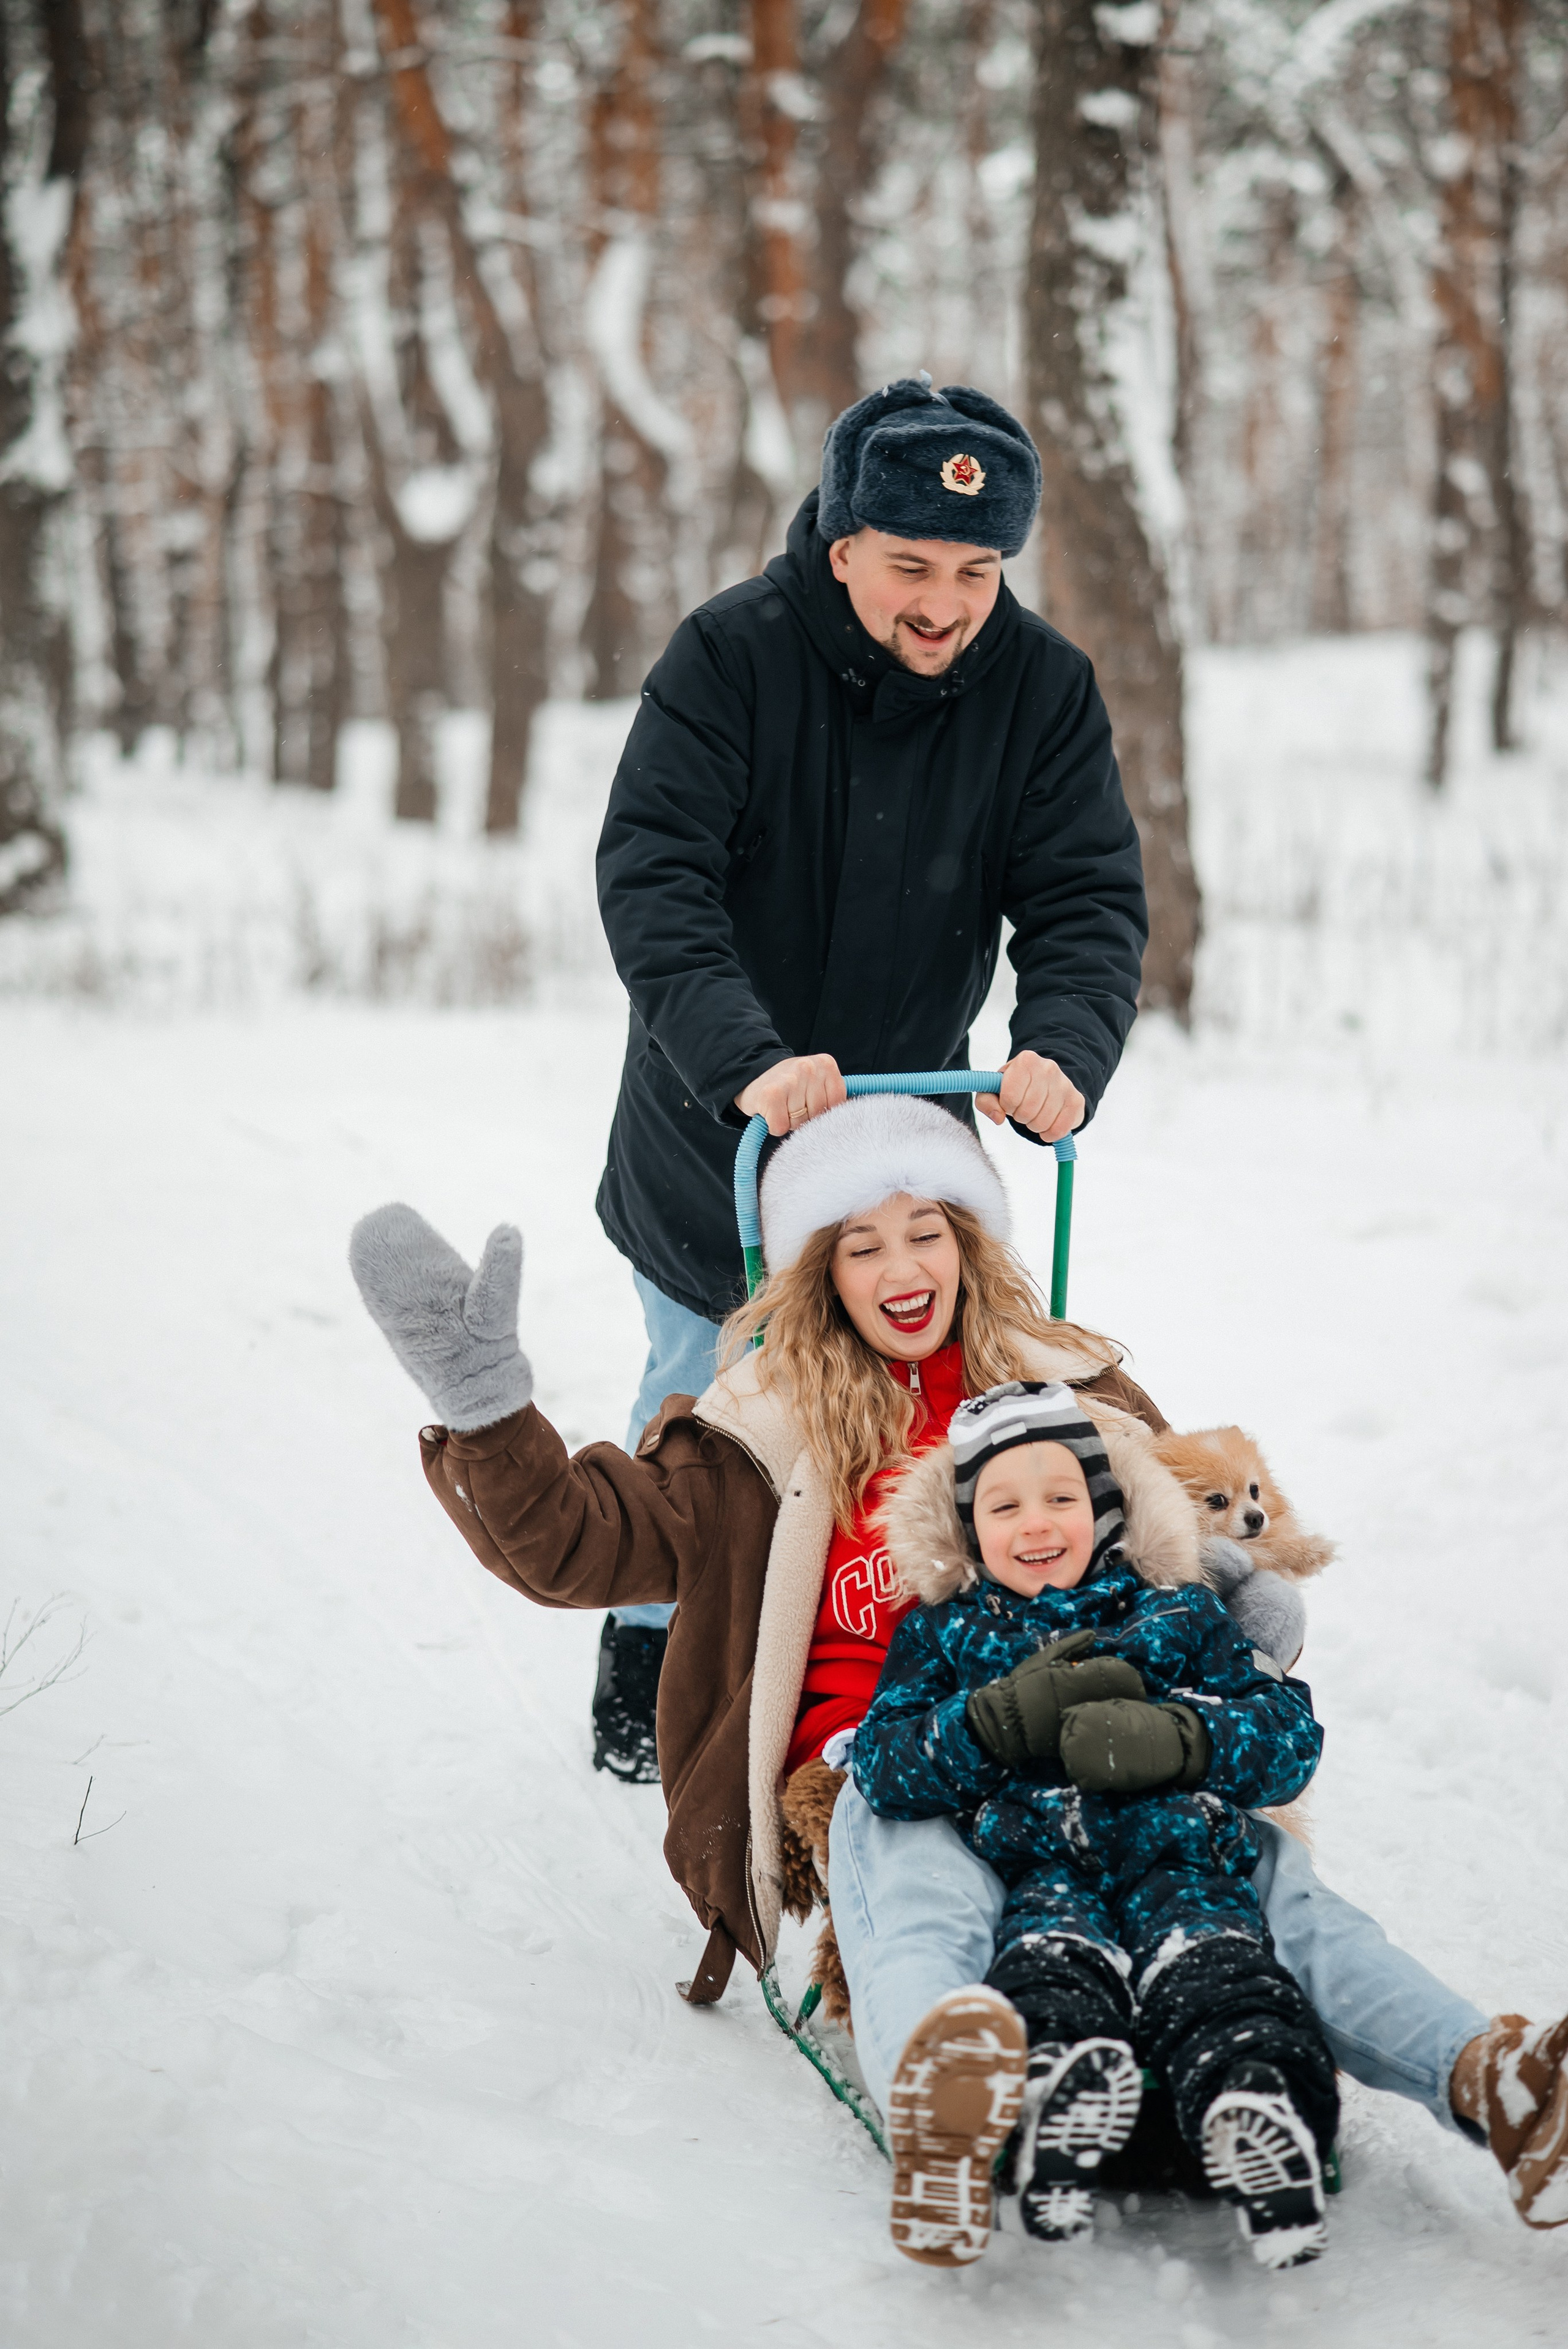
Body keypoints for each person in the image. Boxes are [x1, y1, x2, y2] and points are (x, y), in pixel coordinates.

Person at [347, 1095, 1568, 2266]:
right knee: (919, 1883)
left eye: (926, 1230)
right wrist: (488, 1413)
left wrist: (1234, 1599)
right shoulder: (753, 1428)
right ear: (819, 1271)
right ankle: (941, 2095)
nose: (901, 1266)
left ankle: (1494, 2078)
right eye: (862, 1243)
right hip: (884, 1760)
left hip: (1096, 1737)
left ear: (968, 1240)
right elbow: (583, 1543)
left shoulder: (1071, 1389)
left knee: (1269, 1889)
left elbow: (1179, 1518)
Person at [589, 373, 1148, 1779]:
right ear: (840, 547)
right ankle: (653, 1653)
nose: (944, 602)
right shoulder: (728, 658)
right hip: (714, 1130)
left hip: (899, 1140)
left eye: (975, 571)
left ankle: (868, 1658)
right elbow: (655, 877)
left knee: (900, 1411)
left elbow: (1083, 896)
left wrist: (1061, 1046)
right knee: (707, 1408)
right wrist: (746, 1058)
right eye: (911, 565)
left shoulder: (1039, 688)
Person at [854, 1380, 1337, 2268]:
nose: (1037, 1524)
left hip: (1182, 1856)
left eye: (1062, 1499)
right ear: (968, 1530)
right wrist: (986, 1726)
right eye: (1004, 1507)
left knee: (1222, 1974)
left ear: (1106, 1508)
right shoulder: (949, 1631)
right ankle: (1055, 2109)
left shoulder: (1173, 1609)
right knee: (1048, 1972)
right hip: (1045, 1868)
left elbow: (1286, 1734)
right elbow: (883, 1764)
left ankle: (1260, 2107)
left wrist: (1188, 1738)